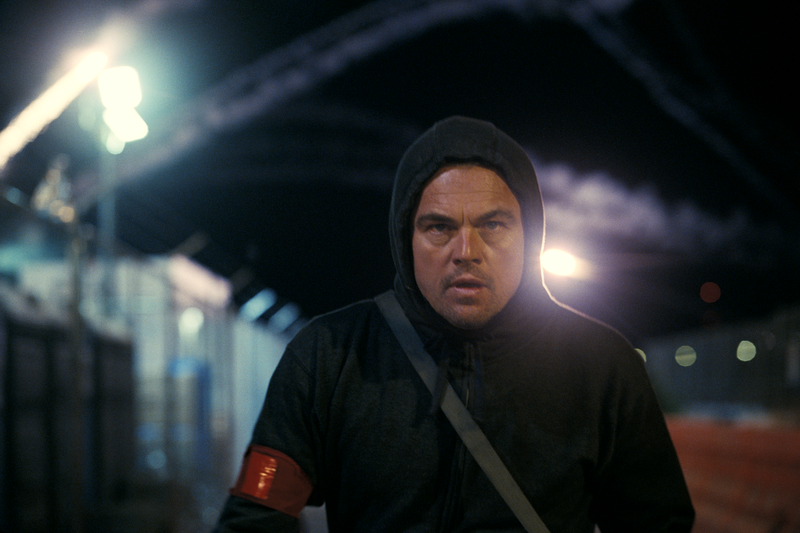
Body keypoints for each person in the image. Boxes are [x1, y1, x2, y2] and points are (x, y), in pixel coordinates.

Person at [213, 116, 695, 532]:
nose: (466, 251)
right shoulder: (330, 355)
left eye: (493, 225)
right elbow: (258, 512)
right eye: (440, 227)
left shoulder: (601, 366)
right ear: (405, 238)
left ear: (530, 236)